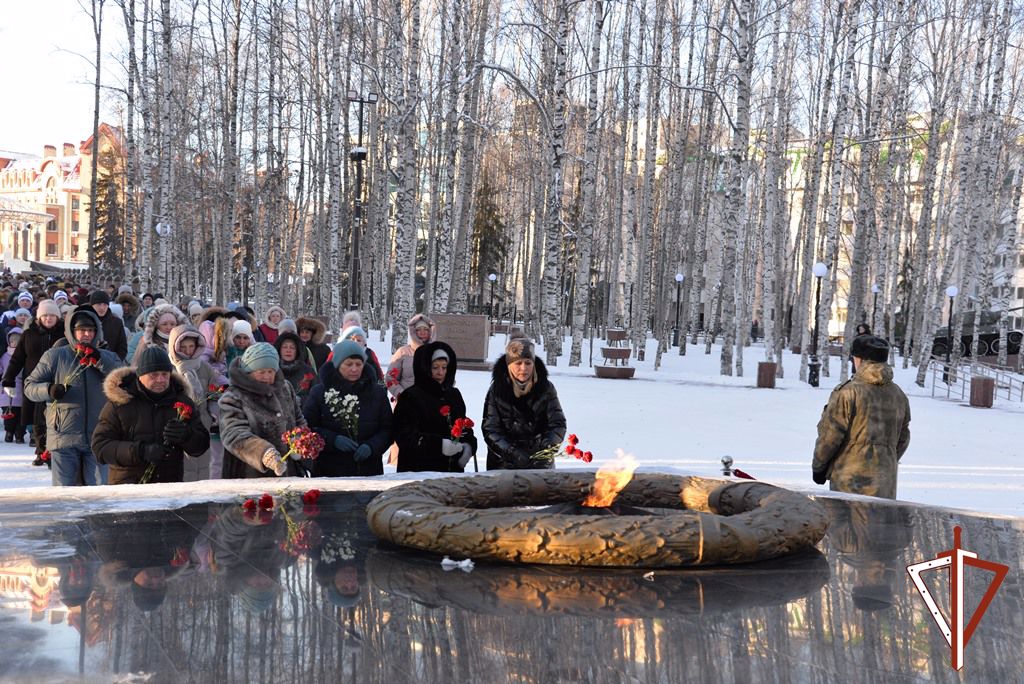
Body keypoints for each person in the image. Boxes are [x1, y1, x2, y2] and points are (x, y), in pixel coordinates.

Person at [24, 306, 125, 486]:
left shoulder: (108, 356)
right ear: (72, 331)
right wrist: (49, 390)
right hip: (63, 435)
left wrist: (100, 360)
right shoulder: (55, 356)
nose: (86, 334)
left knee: (98, 492)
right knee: (64, 493)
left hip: (99, 435)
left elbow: (125, 380)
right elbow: (30, 386)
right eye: (81, 330)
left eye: (90, 330)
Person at [92, 347, 210, 484]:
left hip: (169, 487)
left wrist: (187, 435)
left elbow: (201, 446)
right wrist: (140, 451)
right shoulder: (120, 403)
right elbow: (100, 447)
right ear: (140, 375)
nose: (160, 380)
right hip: (127, 488)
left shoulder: (182, 402)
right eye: (153, 375)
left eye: (164, 374)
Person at [812, 335, 911, 499]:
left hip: (849, 480)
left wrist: (819, 467)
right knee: (879, 523)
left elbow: (830, 435)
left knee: (847, 524)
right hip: (885, 481)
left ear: (858, 359)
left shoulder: (848, 392)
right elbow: (903, 438)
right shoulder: (898, 395)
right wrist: (884, 460)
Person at [303, 339, 392, 477]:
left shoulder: (377, 393)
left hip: (368, 470)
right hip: (329, 471)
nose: (354, 369)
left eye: (359, 364)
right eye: (349, 364)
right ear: (338, 365)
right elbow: (308, 428)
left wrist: (372, 446)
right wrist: (332, 440)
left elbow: (388, 429)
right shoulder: (319, 392)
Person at [219, 342, 308, 478]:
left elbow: (298, 418)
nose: (267, 376)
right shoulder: (234, 397)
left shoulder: (285, 388)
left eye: (270, 371)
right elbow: (233, 434)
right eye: (261, 372)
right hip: (249, 475)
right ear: (249, 372)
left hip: (288, 472)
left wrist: (300, 441)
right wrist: (264, 453)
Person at [482, 333, 566, 470]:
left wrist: (545, 452)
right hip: (503, 464)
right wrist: (510, 452)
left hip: (540, 463)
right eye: (518, 363)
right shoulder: (496, 390)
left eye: (528, 363)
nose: (523, 368)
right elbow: (491, 429)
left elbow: (557, 424)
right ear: (509, 365)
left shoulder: (546, 388)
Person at [393, 341, 477, 472]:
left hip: (450, 472)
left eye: (444, 367)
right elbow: (405, 436)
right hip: (419, 472)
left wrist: (468, 445)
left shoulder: (453, 395)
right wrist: (439, 445)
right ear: (425, 368)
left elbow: (462, 424)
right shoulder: (410, 397)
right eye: (435, 367)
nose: (440, 373)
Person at [2, 298, 64, 464]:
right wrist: (8, 380)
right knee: (37, 419)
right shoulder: (29, 334)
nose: (48, 319)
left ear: (57, 317)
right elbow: (17, 359)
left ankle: (53, 451)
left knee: (54, 418)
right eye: (45, 316)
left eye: (52, 315)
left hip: (57, 382)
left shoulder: (64, 334)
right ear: (39, 317)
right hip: (34, 382)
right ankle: (40, 451)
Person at [168, 324, 227, 480]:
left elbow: (215, 392)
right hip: (178, 423)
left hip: (203, 423)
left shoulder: (204, 367)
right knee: (182, 466)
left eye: (191, 346)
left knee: (204, 464)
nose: (188, 351)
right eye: (183, 347)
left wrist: (214, 412)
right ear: (175, 347)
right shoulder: (170, 369)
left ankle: (203, 499)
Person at [386, 313, 435, 398]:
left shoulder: (436, 352)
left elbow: (446, 377)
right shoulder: (403, 352)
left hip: (430, 404)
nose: (422, 332)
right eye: (419, 329)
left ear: (430, 331)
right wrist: (403, 395)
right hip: (406, 404)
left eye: (425, 329)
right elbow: (390, 378)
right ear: (413, 332)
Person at [275, 331, 317, 400]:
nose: (288, 350)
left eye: (292, 348)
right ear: (279, 350)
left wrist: (300, 400)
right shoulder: (272, 370)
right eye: (285, 347)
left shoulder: (308, 371)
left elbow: (316, 396)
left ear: (297, 351)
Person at [0, 326, 25, 443]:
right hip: (6, 390)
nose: (14, 342)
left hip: (21, 388)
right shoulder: (4, 356)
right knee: (8, 414)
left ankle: (19, 434)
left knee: (20, 415)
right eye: (12, 340)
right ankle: (9, 432)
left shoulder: (25, 355)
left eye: (18, 340)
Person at [89, 290, 129, 360]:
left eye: (105, 304)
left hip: (111, 363)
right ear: (92, 305)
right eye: (98, 304)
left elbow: (122, 347)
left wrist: (115, 362)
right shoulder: (86, 320)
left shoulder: (116, 322)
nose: (102, 308)